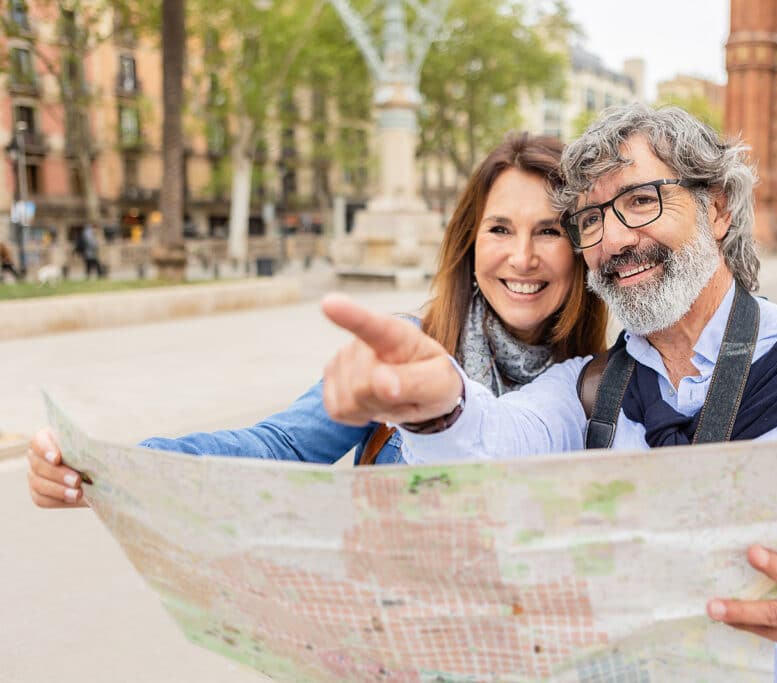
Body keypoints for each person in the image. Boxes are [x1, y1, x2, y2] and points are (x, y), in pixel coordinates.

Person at [315, 105, 777, 680]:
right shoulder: (587, 392)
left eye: (640, 201)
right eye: (591, 219)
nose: (615, 240)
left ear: (717, 207)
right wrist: (438, 406)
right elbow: (490, 441)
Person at [26, 132, 608, 508]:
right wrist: (113, 466)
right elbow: (278, 446)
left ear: (582, 247)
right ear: (469, 242)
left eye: (550, 231)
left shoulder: (603, 386)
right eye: (500, 229)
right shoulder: (405, 350)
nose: (522, 257)